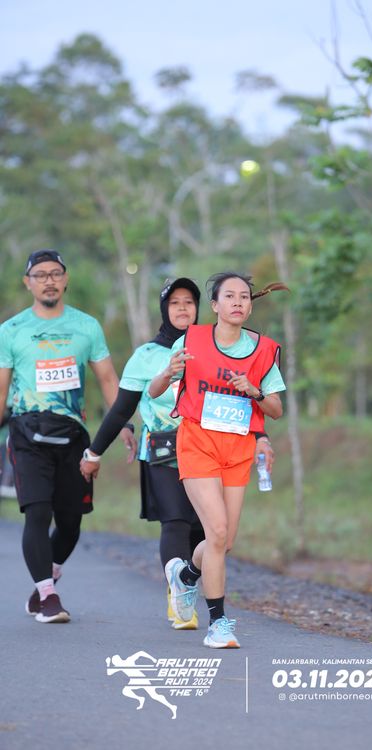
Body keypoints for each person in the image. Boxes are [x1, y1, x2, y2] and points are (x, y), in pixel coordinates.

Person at [80, 277, 275, 630]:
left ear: (200, 307)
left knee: (212, 533)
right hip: (166, 448)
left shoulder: (219, 345)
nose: (183, 308)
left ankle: (187, 579)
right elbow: (122, 408)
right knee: (176, 521)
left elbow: (238, 402)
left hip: (222, 447)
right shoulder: (146, 356)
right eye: (175, 303)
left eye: (189, 302)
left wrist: (260, 437)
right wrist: (94, 452)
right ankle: (188, 605)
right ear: (164, 309)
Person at [149, 271, 286, 648]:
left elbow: (276, 409)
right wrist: (169, 371)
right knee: (218, 531)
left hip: (237, 451)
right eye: (230, 296)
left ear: (251, 306)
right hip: (197, 443)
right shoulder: (192, 340)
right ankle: (218, 623)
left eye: (244, 297)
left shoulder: (263, 351)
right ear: (215, 305)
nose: (238, 302)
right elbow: (155, 390)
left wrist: (255, 391)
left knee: (223, 542)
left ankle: (186, 577)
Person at [0, 249, 135, 624]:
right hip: (27, 433)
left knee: (71, 521)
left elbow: (108, 379)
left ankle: (46, 581)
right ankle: (48, 596)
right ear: (28, 283)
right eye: (40, 275)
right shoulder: (11, 330)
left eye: (55, 273)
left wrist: (123, 424)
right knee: (37, 511)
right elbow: (1, 391)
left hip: (73, 434)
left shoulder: (86, 326)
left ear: (65, 279)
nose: (49, 280)